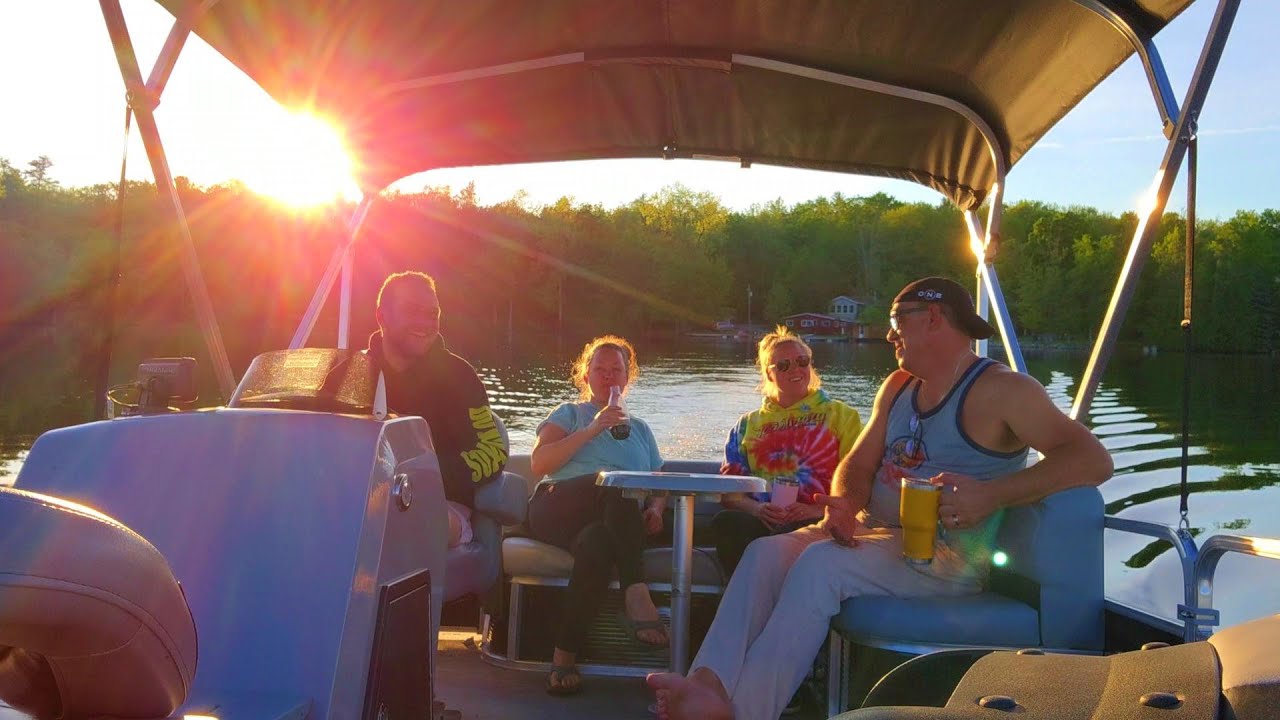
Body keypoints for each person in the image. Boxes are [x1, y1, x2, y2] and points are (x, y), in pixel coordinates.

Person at [647, 277, 1114, 720]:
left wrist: (991, 495)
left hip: (944, 558)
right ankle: (709, 685)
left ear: (933, 317)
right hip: (873, 535)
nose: (890, 336)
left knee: (820, 567)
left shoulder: (1004, 390)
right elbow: (860, 463)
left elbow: (1093, 460)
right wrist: (845, 503)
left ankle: (744, 712)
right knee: (763, 553)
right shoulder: (898, 386)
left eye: (897, 323)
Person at [527, 335, 668, 695]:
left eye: (616, 370)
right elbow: (539, 463)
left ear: (627, 378)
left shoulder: (642, 430)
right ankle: (635, 591)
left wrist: (654, 508)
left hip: (610, 522)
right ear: (585, 376)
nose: (608, 377)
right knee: (614, 483)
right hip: (558, 506)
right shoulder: (570, 413)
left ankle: (563, 658)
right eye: (600, 370)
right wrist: (593, 428)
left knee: (598, 546)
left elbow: (657, 482)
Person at [366, 271, 508, 548]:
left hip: (444, 506)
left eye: (433, 314)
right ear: (382, 317)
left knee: (404, 522)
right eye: (412, 311)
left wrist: (426, 474)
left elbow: (494, 450)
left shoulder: (460, 377)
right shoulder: (351, 375)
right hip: (364, 501)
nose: (426, 323)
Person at [715, 326, 862, 575]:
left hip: (818, 520)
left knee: (780, 540)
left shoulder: (841, 416)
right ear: (769, 375)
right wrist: (758, 509)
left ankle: (766, 603)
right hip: (763, 519)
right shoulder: (747, 425)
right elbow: (730, 493)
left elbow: (860, 482)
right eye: (783, 365)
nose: (795, 369)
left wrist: (817, 510)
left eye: (801, 361)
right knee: (725, 524)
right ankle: (745, 600)